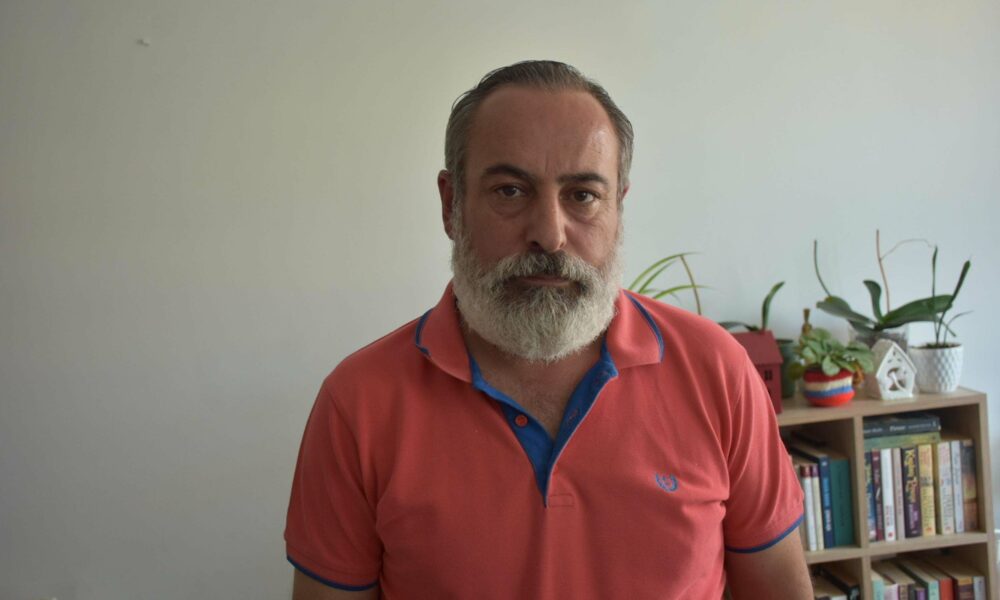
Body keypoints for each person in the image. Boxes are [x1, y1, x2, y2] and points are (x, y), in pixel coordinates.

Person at [285, 60, 812, 599]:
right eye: (510, 191)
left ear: (618, 208)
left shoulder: (717, 371)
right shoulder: (359, 403)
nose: (549, 235)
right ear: (451, 205)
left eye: (582, 195)